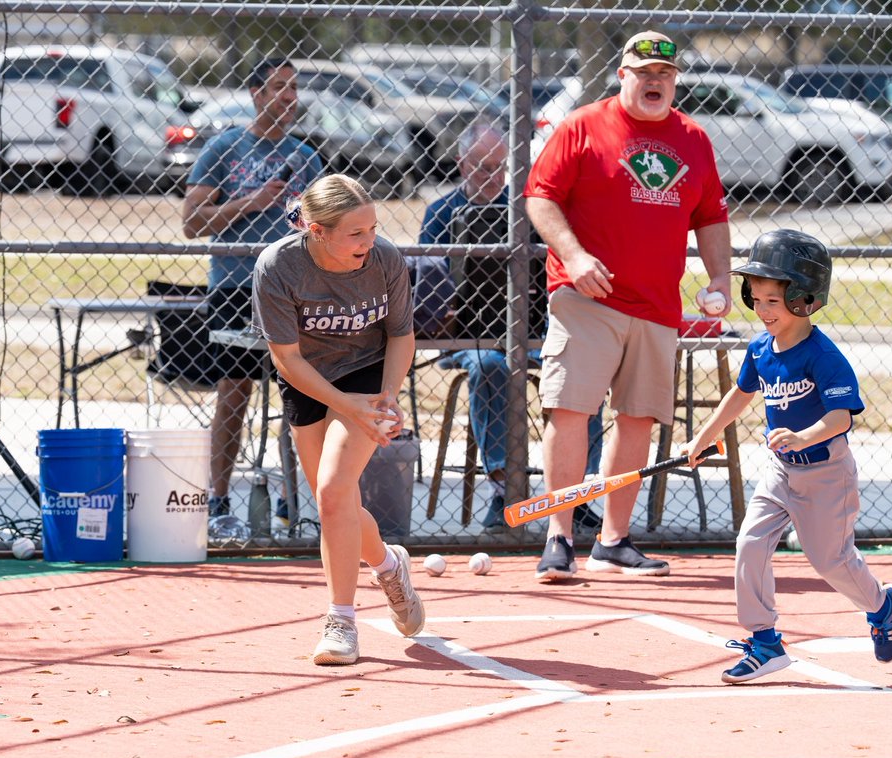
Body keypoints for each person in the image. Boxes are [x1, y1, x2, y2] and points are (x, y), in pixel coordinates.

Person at [523, 30, 733, 581]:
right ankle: (559, 536)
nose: (654, 82)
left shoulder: (692, 137)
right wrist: (574, 255)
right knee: (570, 410)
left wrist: (719, 277)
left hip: (657, 304)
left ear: (674, 80)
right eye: (644, 73)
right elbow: (540, 196)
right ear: (623, 75)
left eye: (664, 74)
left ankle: (613, 541)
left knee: (637, 419)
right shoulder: (584, 125)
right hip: (586, 295)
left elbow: (711, 216)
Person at [685, 229, 892, 683]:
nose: (763, 311)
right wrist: (702, 436)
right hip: (780, 471)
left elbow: (841, 417)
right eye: (757, 299)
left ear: (805, 298)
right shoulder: (761, 349)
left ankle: (882, 606)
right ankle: (765, 642)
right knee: (750, 543)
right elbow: (740, 395)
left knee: (830, 562)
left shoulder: (822, 355)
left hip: (826, 473)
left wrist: (804, 436)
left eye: (773, 301)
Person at [251, 173, 425, 666]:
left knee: (331, 493)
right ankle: (390, 566)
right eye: (356, 233)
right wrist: (341, 404)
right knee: (336, 505)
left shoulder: (386, 258)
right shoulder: (279, 267)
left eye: (372, 228)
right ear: (316, 230)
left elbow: (400, 336)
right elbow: (287, 359)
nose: (368, 242)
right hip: (308, 378)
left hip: (366, 373)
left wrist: (386, 397)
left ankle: (340, 622)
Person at [419, 122, 604, 533]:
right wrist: (444, 309)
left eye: (500, 168)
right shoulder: (442, 211)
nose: (492, 177)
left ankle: (579, 490)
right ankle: (505, 485)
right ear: (461, 163)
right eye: (482, 167)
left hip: (533, 327)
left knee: (581, 370)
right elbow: (428, 284)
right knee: (489, 366)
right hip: (467, 333)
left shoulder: (528, 209)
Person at [182, 56, 324, 528]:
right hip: (235, 284)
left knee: (298, 387)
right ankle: (217, 500)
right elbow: (192, 222)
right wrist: (251, 203)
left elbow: (320, 225)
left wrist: (299, 220)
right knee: (234, 391)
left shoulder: (306, 157)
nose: (289, 97)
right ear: (256, 94)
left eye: (293, 88)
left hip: (291, 288)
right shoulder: (225, 149)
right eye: (280, 87)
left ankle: (291, 500)